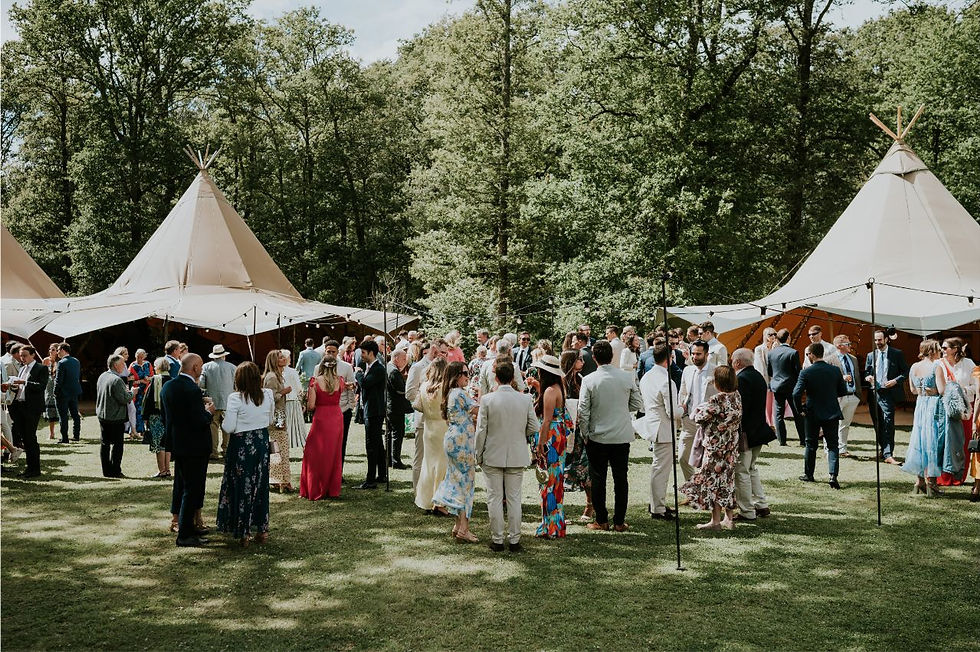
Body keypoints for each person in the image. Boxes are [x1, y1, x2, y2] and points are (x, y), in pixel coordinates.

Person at [578, 340, 643, 532]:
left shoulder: (589, 380)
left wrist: (585, 433)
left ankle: (601, 520)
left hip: (598, 436)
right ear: (612, 357)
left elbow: (583, 410)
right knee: (620, 479)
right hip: (621, 435)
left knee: (598, 478)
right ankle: (620, 521)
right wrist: (621, 407)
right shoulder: (626, 377)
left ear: (595, 358)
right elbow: (637, 403)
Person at [476, 361, 538, 552]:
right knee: (514, 498)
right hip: (516, 453)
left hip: (493, 453)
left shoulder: (487, 400)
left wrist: (478, 454)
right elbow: (534, 427)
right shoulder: (525, 399)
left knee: (494, 498)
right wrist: (520, 434)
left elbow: (481, 431)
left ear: (496, 377)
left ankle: (497, 540)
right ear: (513, 378)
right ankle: (514, 540)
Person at [161, 353, 216, 547]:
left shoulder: (168, 386)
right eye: (200, 366)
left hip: (178, 443)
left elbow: (172, 415)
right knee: (192, 490)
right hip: (194, 445)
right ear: (194, 368)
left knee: (184, 486)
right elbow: (198, 420)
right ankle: (184, 534)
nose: (201, 370)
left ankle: (188, 528)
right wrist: (208, 412)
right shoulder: (192, 389)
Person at [218, 362, 273, 545]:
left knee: (242, 485)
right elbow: (270, 419)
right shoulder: (267, 394)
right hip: (261, 441)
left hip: (242, 443)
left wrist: (224, 416)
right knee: (260, 484)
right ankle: (262, 530)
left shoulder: (236, 398)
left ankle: (244, 532)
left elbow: (229, 427)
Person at [680, 365, 742, 530]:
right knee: (728, 481)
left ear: (718, 382)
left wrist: (700, 408)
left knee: (713, 482)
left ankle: (715, 521)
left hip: (715, 449)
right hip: (730, 447)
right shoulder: (736, 396)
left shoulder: (717, 400)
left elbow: (698, 417)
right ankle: (729, 518)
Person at [432, 361, 480, 542]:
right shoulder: (460, 393)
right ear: (456, 376)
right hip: (462, 443)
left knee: (457, 480)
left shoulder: (450, 393)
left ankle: (458, 526)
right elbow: (479, 410)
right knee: (466, 485)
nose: (468, 376)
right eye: (465, 373)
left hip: (453, 439)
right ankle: (463, 529)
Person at [528, 354, 571, 539]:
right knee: (555, 481)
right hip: (559, 436)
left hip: (551, 437)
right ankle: (555, 524)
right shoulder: (558, 388)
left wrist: (540, 445)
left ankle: (550, 527)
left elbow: (546, 421)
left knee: (548, 483)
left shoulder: (550, 392)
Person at [793, 342, 848, 489]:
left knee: (811, 444)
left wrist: (800, 410)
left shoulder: (806, 372)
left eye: (807, 354)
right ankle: (832, 476)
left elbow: (796, 394)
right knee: (833, 445)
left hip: (812, 412)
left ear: (811, 354)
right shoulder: (835, 371)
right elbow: (843, 391)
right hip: (831, 411)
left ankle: (809, 474)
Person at [731, 348, 775, 521]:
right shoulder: (757, 376)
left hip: (747, 433)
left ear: (737, 362)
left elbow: (742, 410)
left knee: (741, 471)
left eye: (733, 359)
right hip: (759, 430)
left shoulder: (741, 379)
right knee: (751, 469)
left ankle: (747, 511)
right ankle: (760, 504)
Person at [639, 341, 681, 521]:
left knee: (658, 468)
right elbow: (673, 412)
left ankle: (656, 502)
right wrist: (685, 408)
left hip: (653, 425)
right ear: (669, 359)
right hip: (663, 429)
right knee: (661, 470)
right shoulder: (667, 381)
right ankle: (658, 508)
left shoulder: (646, 377)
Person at [902, 340, 943, 494]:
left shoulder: (914, 366)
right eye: (938, 349)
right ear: (932, 351)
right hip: (933, 405)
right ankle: (932, 483)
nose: (940, 352)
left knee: (919, 439)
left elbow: (913, 390)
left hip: (920, 404)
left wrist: (923, 391)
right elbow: (942, 389)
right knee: (932, 440)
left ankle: (919, 481)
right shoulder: (936, 366)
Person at [935, 337, 976, 485]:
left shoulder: (969, 364)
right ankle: (944, 477)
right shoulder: (939, 364)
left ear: (955, 349)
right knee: (945, 442)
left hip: (964, 409)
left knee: (962, 442)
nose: (942, 351)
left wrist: (961, 390)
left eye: (945, 348)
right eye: (942, 348)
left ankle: (959, 476)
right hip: (945, 409)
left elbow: (976, 386)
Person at [864, 330, 907, 465]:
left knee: (888, 422)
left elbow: (906, 371)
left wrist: (895, 381)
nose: (877, 343)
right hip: (874, 393)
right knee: (877, 423)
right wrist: (868, 377)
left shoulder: (897, 354)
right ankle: (883, 450)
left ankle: (889, 454)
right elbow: (866, 372)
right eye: (876, 340)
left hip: (888, 392)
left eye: (880, 340)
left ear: (887, 339)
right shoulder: (870, 355)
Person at [560, 349, 593, 522]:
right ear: (571, 362)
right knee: (561, 470)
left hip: (579, 432)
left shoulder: (581, 380)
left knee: (585, 469)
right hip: (564, 433)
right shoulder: (561, 383)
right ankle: (559, 508)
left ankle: (590, 505)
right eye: (579, 359)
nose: (583, 362)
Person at [678, 340, 717, 482]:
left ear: (707, 354)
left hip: (709, 422)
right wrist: (681, 408)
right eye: (693, 354)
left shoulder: (716, 370)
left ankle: (703, 492)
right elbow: (682, 393)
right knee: (683, 457)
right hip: (689, 421)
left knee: (706, 460)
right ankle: (692, 488)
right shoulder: (687, 370)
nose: (695, 357)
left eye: (698, 354)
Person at [415, 358, 450, 512]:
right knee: (443, 465)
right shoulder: (446, 388)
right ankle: (440, 502)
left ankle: (427, 500)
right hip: (443, 426)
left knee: (429, 465)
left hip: (429, 427)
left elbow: (416, 405)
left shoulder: (424, 387)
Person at [9, 346, 48, 478]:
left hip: (32, 408)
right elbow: (20, 389)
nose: (22, 358)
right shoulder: (22, 368)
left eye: (25, 355)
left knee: (30, 438)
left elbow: (41, 386)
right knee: (25, 438)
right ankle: (29, 468)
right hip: (21, 406)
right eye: (21, 355)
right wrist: (12, 386)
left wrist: (24, 382)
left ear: (33, 355)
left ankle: (34, 469)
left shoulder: (41, 368)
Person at [95, 353, 135, 477]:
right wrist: (133, 393)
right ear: (116, 365)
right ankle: (115, 470)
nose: (124, 367)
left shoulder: (103, 376)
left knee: (105, 443)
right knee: (118, 445)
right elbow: (123, 399)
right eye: (123, 364)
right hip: (115, 417)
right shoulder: (116, 380)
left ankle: (106, 471)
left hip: (103, 415)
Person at [355, 340, 387, 489]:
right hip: (371, 409)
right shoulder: (369, 367)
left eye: (363, 352)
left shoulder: (378, 368)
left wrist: (358, 375)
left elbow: (366, 383)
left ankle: (370, 479)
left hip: (375, 411)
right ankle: (381, 474)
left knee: (371, 445)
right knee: (378, 444)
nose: (361, 355)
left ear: (371, 353)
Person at [321, 340, 357, 469]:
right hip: (324, 411)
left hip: (342, 409)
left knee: (341, 442)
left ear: (338, 352)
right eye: (328, 351)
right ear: (324, 351)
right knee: (325, 442)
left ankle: (338, 471)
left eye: (333, 352)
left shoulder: (346, 367)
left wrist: (350, 406)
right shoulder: (318, 368)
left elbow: (352, 385)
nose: (330, 354)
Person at [263, 349, 293, 493]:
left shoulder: (278, 376)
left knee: (281, 448)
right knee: (278, 449)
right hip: (276, 417)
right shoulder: (272, 377)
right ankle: (278, 480)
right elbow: (269, 397)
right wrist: (283, 392)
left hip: (279, 414)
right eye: (280, 358)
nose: (284, 359)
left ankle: (282, 479)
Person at [199, 344, 236, 460]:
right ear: (224, 355)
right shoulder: (232, 367)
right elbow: (236, 384)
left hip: (212, 403)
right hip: (228, 402)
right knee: (227, 428)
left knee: (213, 427)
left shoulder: (206, 367)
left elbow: (201, 384)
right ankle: (226, 450)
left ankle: (213, 452)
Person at [768, 328, 803, 446]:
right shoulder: (793, 352)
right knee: (797, 413)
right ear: (788, 338)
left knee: (778, 414)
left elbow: (770, 371)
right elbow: (798, 371)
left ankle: (782, 441)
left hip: (777, 386)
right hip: (791, 386)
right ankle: (803, 440)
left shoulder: (771, 353)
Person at [142, 357, 173, 478]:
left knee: (158, 444)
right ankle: (168, 469)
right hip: (169, 416)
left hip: (156, 416)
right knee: (167, 443)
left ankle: (162, 470)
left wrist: (145, 417)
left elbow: (148, 400)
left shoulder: (155, 380)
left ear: (158, 367)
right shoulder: (172, 380)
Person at [386, 349, 413, 469]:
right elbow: (401, 389)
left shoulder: (389, 368)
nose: (405, 362)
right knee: (397, 433)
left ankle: (390, 459)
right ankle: (395, 460)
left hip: (390, 405)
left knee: (390, 433)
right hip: (395, 406)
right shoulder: (394, 372)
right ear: (396, 358)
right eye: (403, 359)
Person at [281, 349, 306, 451]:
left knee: (285, 427)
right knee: (299, 426)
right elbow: (299, 388)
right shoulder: (292, 372)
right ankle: (305, 448)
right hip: (292, 400)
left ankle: (284, 449)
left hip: (283, 401)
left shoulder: (277, 372)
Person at [752, 327, 777, 427]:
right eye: (770, 334)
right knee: (766, 404)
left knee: (775, 405)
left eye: (775, 334)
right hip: (766, 380)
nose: (773, 336)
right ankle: (767, 424)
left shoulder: (778, 348)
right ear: (765, 336)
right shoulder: (759, 349)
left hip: (776, 380)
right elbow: (760, 366)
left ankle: (775, 425)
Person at [128, 349, 153, 438]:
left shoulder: (148, 364)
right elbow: (130, 380)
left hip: (147, 391)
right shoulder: (132, 366)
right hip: (137, 391)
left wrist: (148, 379)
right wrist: (141, 381)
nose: (140, 359)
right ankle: (135, 431)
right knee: (137, 410)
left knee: (145, 410)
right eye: (138, 357)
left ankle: (144, 431)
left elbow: (152, 376)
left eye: (142, 357)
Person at [42, 343, 59, 440]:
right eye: (50, 349)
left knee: (60, 411)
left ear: (57, 351)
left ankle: (63, 432)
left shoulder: (60, 362)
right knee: (50, 412)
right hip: (48, 389)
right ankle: (51, 433)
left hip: (57, 389)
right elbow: (42, 374)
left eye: (53, 349)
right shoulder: (45, 360)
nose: (50, 351)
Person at [969, 366, 980, 502]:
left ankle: (977, 487)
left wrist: (973, 422)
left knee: (978, 456)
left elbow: (978, 398)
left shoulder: (978, 371)